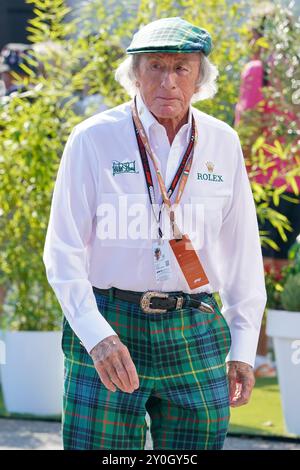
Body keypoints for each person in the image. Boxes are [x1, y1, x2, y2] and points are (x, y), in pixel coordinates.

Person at [43, 17, 267, 450]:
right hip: (110, 321)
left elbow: (241, 251)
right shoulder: (93, 138)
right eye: (154, 67)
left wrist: (242, 347)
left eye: (181, 67)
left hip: (194, 324)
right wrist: (97, 335)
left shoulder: (223, 141)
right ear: (135, 73)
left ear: (200, 76)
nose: (168, 81)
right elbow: (62, 249)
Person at [234, 4, 300, 377]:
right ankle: (274, 356)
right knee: (285, 271)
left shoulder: (258, 70)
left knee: (256, 271)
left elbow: (245, 128)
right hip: (293, 182)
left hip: (263, 185)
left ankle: (258, 357)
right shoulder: (292, 71)